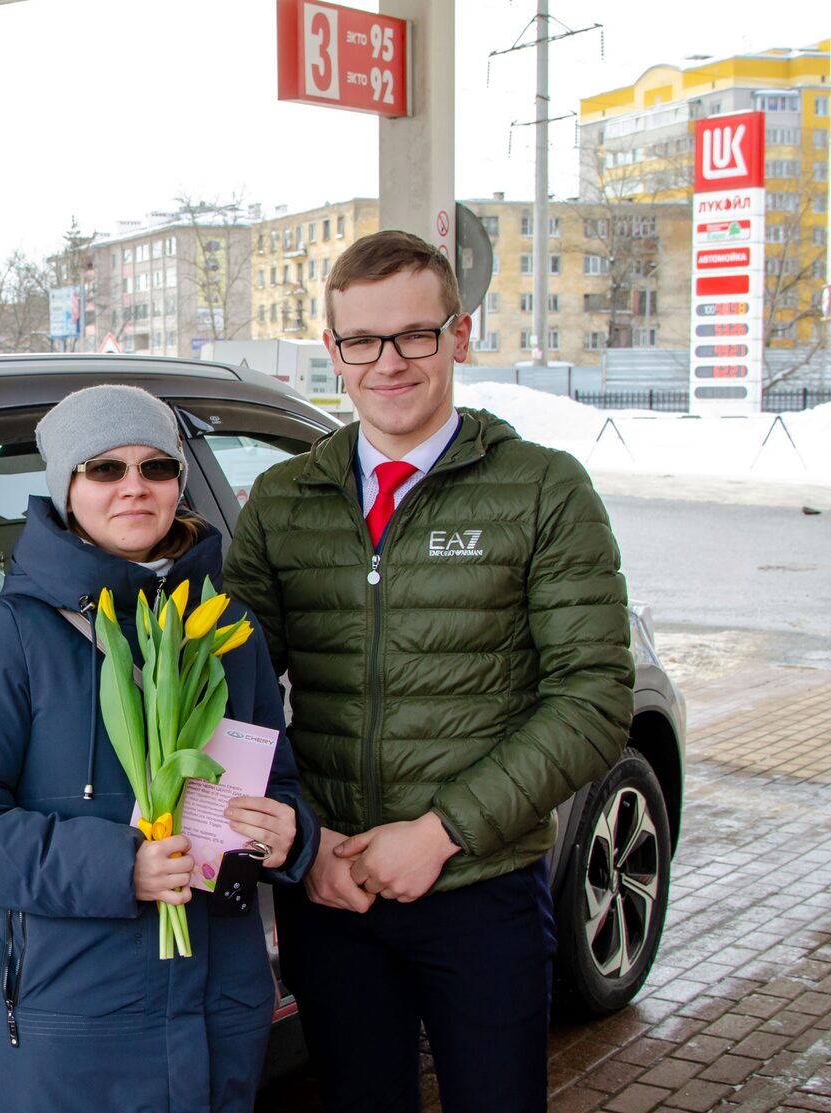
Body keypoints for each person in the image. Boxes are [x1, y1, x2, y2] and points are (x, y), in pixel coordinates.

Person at [221, 229, 634, 1113]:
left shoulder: (540, 489)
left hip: (478, 890)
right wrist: (305, 841)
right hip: (332, 888)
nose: (390, 362)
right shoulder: (286, 501)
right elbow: (233, 698)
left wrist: (441, 831)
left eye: (415, 333)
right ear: (333, 352)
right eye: (363, 341)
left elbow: (595, 699)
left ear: (460, 332)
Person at [0, 384, 318, 1113]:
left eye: (157, 466)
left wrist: (291, 831)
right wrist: (119, 866)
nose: (135, 485)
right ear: (67, 486)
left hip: (213, 1015)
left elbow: (277, 780)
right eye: (105, 468)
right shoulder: (11, 635)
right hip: (67, 1033)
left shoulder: (228, 629)